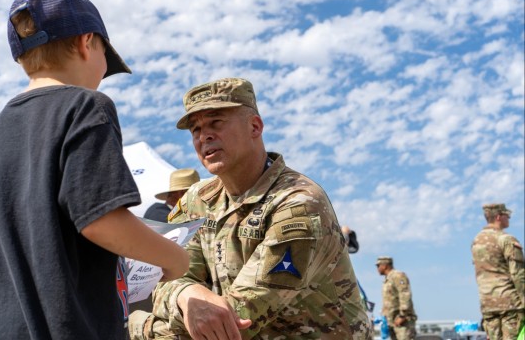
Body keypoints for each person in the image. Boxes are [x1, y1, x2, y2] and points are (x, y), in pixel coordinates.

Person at [0, 0, 189, 339]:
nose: (103, 72)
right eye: (106, 57)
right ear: (88, 43)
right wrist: (176, 259)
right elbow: (99, 220)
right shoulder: (87, 106)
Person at [129, 77, 372, 339]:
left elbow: (236, 320)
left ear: (255, 126)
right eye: (195, 130)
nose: (204, 136)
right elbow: (166, 278)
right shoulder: (196, 200)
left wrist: (139, 325)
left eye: (216, 123)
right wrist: (186, 295)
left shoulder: (298, 202)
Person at [471, 203, 524, 340]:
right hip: (509, 304)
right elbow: (518, 274)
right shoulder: (506, 239)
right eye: (507, 215)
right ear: (499, 216)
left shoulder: (476, 242)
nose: (509, 218)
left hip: (487, 304)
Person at [376, 256, 417, 340]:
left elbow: (405, 295)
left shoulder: (398, 276)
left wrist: (402, 316)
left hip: (403, 321)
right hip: (392, 321)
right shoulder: (387, 279)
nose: (377, 268)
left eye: (378, 266)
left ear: (385, 266)